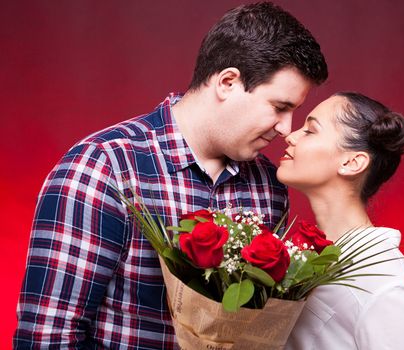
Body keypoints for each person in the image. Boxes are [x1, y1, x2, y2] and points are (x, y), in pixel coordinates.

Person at [14, 3, 327, 348]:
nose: (286, 128)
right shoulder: (106, 167)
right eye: (280, 108)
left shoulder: (267, 185)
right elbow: (48, 336)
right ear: (227, 82)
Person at [278, 92, 404, 349]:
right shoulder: (310, 259)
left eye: (310, 130)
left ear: (352, 162)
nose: (290, 136)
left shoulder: (387, 288)